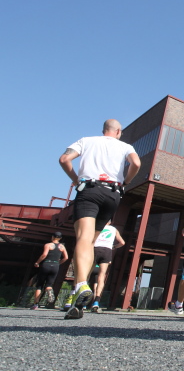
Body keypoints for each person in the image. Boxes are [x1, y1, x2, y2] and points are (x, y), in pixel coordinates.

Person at [59, 119, 141, 319]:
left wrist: (75, 180)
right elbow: (136, 163)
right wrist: (126, 182)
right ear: (118, 131)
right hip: (113, 194)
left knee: (84, 239)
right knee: (91, 242)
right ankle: (79, 299)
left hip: (89, 190)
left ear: (103, 130)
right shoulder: (126, 146)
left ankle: (80, 285)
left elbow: (64, 159)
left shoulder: (86, 141)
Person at [90, 222, 125, 312]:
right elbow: (122, 242)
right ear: (109, 222)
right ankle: (96, 301)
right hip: (107, 250)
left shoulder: (97, 226)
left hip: (95, 248)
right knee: (101, 276)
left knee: (87, 274)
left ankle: (81, 298)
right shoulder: (114, 229)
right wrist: (114, 246)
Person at [30, 232, 69, 310]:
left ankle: (35, 304)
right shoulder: (62, 246)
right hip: (55, 266)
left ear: (52, 237)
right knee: (49, 284)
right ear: (60, 238)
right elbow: (66, 257)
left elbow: (44, 255)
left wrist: (37, 262)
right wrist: (59, 263)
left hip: (46, 264)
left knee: (39, 285)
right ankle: (49, 290)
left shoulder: (48, 245)